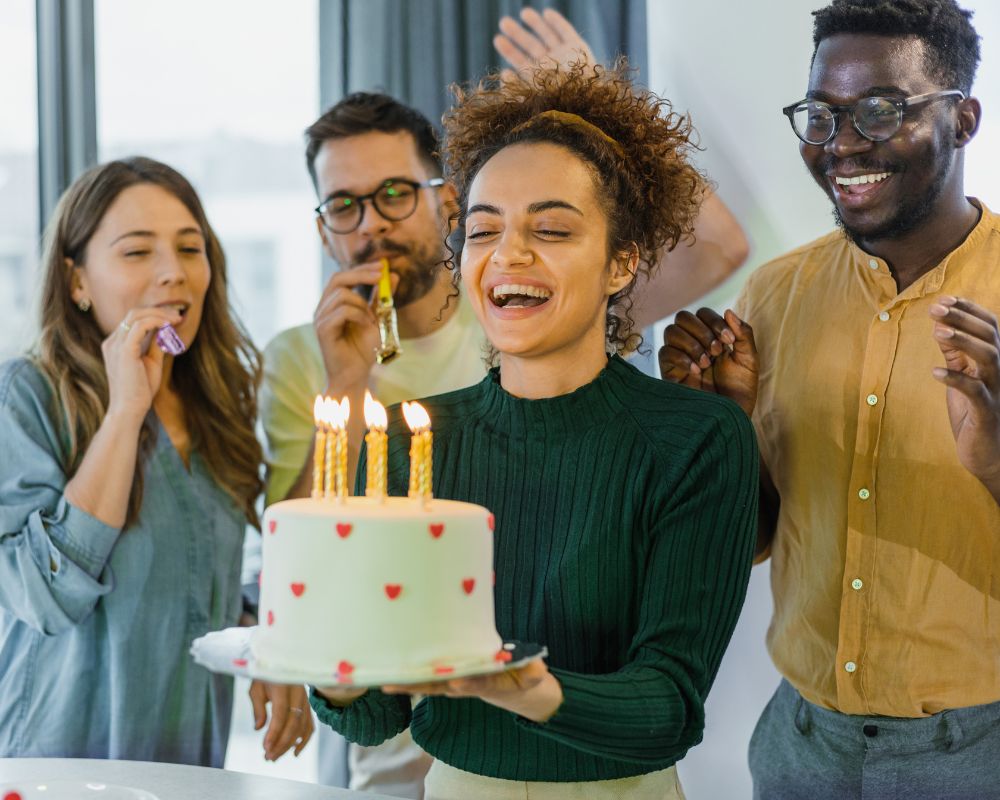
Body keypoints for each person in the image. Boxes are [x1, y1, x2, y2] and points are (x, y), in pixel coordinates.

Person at [260, 9, 750, 795]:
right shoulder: (408, 439)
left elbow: (670, 706)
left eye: (551, 230)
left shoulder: (695, 439)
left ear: (623, 261)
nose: (509, 255)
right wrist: (337, 671)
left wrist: (526, 689)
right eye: (484, 231)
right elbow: (374, 719)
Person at [659, 1, 1000, 797]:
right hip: (799, 744)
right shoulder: (775, 294)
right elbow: (752, 538)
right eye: (822, 114)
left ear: (962, 119)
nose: (841, 144)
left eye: (880, 112)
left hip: (978, 750)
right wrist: (726, 431)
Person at [0, 157, 312, 765]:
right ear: (77, 282)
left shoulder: (217, 404)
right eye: (137, 252)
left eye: (190, 248)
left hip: (188, 767)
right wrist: (124, 413)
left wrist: (268, 649)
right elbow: (44, 596)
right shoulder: (26, 396)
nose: (174, 273)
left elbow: (208, 581)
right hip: (57, 771)